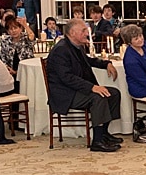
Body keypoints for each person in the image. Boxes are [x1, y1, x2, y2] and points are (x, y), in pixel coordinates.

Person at [45, 19, 124, 153]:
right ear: (72, 33)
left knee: (114, 93)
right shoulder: (61, 50)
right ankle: (97, 141)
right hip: (66, 94)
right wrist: (92, 87)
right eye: (83, 30)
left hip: (76, 89)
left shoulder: (76, 46)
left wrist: (106, 63)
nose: (87, 33)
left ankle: (104, 133)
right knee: (98, 97)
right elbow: (67, 78)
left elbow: (88, 61)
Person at [0, 16, 35, 80]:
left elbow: (32, 37)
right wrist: (8, 69)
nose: (13, 31)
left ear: (20, 28)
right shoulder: (5, 41)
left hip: (27, 72)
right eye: (10, 29)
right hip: (10, 73)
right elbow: (3, 57)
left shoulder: (25, 38)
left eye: (15, 28)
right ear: (8, 31)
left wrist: (25, 25)